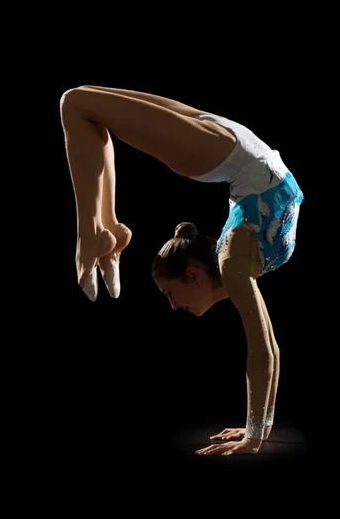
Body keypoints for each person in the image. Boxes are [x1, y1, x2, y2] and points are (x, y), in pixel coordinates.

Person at [60, 85, 304, 456]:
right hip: (232, 149)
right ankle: (99, 230)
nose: (173, 306)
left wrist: (255, 434)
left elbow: (266, 350)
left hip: (235, 149)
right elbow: (265, 349)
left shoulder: (236, 261)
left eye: (169, 296)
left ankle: (99, 231)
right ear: (193, 273)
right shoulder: (235, 265)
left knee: (79, 104)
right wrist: (258, 433)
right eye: (169, 295)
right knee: (78, 103)